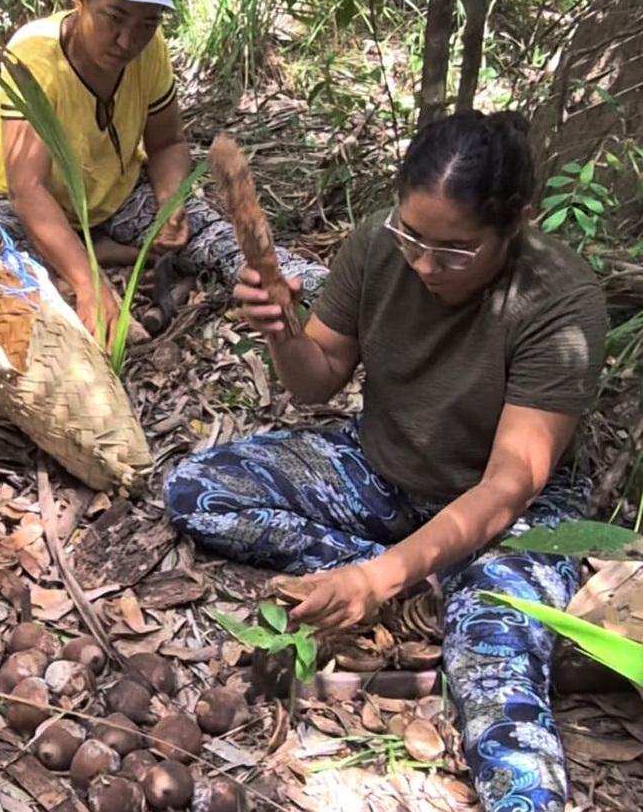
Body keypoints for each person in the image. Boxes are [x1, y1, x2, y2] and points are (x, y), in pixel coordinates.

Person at [165, 112, 607, 812]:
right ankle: (433, 578)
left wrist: (380, 573)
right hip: (382, 470)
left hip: (508, 513)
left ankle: (439, 591)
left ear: (515, 223)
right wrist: (281, 327)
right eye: (413, 236)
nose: (425, 264)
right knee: (197, 490)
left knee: (493, 671)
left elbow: (507, 485)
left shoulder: (558, 302)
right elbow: (317, 379)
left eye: (456, 249)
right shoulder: (378, 244)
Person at [0, 0, 326, 344]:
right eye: (114, 18)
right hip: (27, 211)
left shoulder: (148, 49)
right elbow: (27, 189)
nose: (128, 41)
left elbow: (167, 143)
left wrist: (169, 203)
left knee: (216, 236)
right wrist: (90, 285)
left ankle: (327, 291)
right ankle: (95, 255)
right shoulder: (33, 56)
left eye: (146, 24)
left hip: (118, 200)